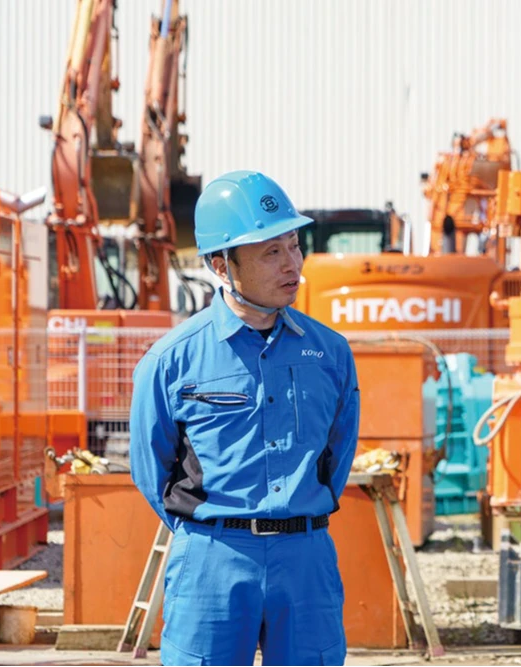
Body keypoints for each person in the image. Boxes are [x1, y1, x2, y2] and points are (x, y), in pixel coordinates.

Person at [129, 170, 359, 666]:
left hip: (306, 561)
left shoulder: (331, 354)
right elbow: (151, 470)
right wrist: (216, 531)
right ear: (221, 264)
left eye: (294, 246)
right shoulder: (170, 362)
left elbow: (337, 456)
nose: (292, 264)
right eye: (271, 252)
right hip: (211, 561)